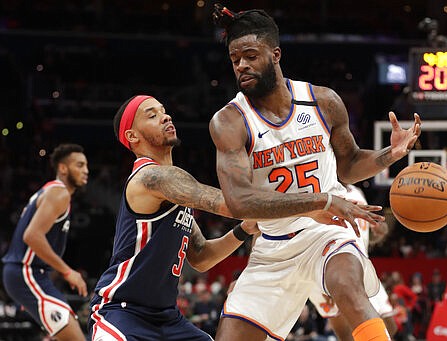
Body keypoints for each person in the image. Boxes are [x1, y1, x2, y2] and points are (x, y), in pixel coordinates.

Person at [210, 4, 421, 341]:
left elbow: (349, 165)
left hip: (326, 236)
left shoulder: (323, 102)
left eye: (250, 55)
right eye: (235, 60)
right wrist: (321, 201)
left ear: (275, 54)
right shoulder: (229, 121)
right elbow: (239, 202)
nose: (242, 65)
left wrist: (388, 156)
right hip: (273, 248)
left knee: (348, 287)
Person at [88, 95, 263, 341]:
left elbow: (201, 257)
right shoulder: (150, 178)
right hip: (122, 312)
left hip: (168, 319)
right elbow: (232, 204)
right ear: (132, 136)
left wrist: (244, 230)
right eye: (152, 115)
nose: (166, 116)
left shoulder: (177, 188)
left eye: (164, 111)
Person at [2, 143, 89, 341]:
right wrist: (68, 272)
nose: (86, 170)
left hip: (30, 274)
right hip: (25, 273)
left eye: (86, 165)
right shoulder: (59, 193)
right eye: (79, 165)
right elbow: (31, 236)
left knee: (61, 335)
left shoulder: (50, 191)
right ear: (63, 168)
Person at [308, 184, 398, 340]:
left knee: (390, 325)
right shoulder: (321, 186)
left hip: (360, 265)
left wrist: (379, 232)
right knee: (346, 333)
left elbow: (364, 234)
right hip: (330, 265)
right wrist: (326, 281)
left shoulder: (358, 193)